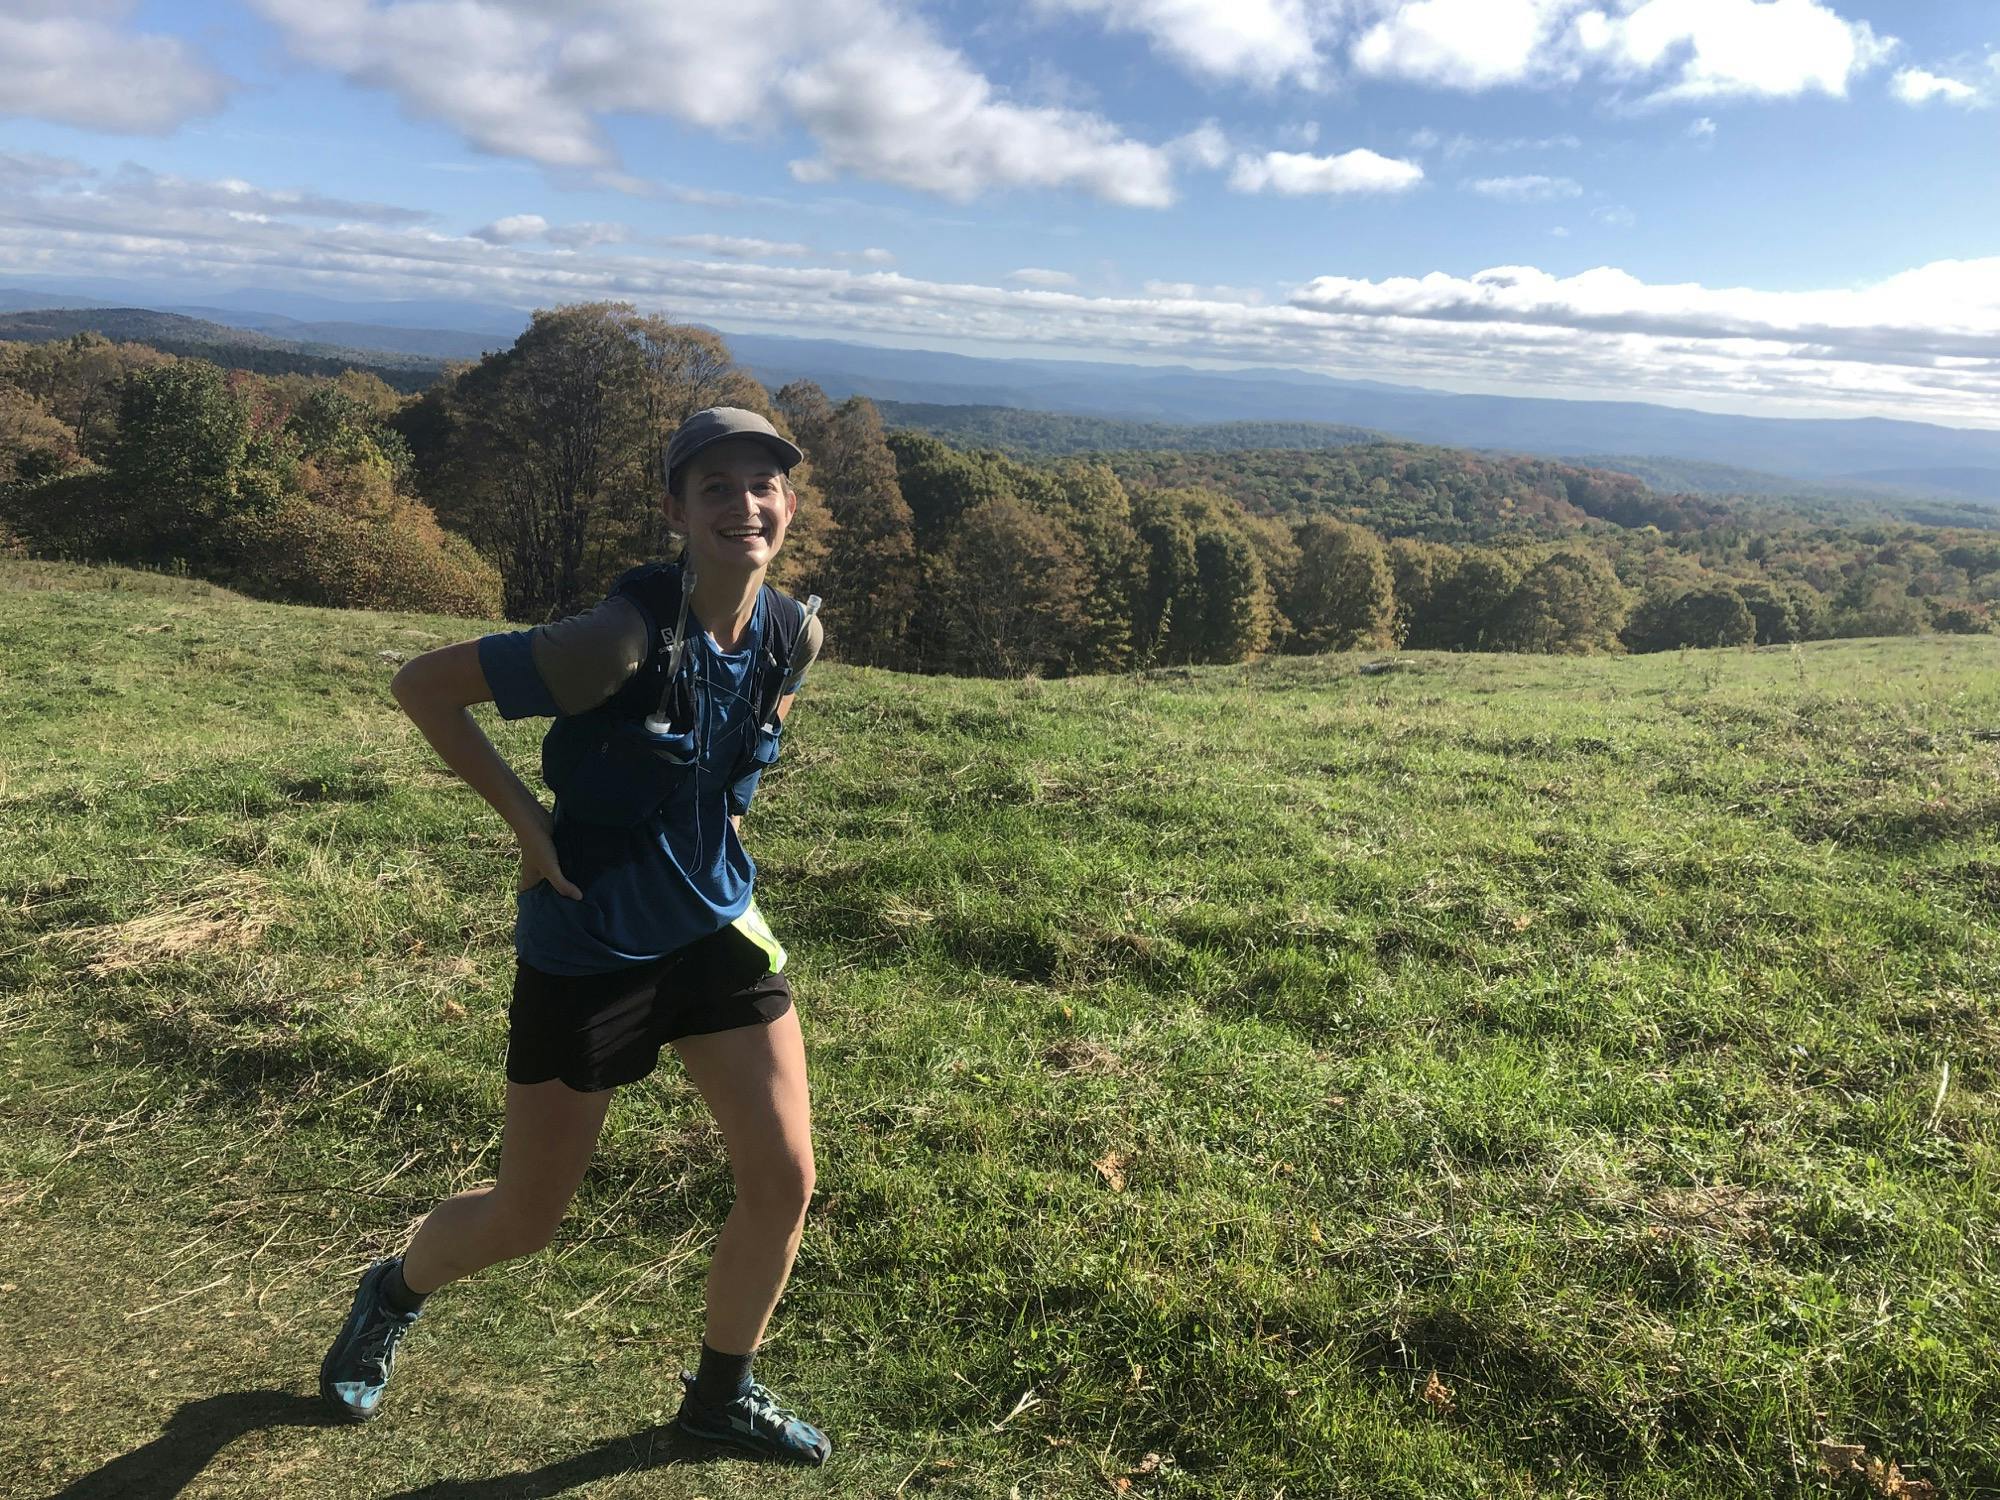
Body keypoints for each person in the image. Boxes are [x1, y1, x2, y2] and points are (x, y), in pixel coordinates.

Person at [318, 407, 832, 1467]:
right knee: (526, 1216)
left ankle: (717, 1398)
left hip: (714, 933)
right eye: (716, 487)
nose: (745, 504)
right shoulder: (616, 639)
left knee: (783, 1179)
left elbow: (732, 760)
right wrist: (529, 823)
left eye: (763, 484)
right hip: (589, 946)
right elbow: (422, 686)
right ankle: (392, 1289)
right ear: (676, 510)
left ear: (788, 503)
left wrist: (717, 840)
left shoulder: (791, 632)